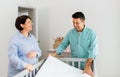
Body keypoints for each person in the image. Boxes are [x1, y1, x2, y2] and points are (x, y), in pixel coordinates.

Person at [49, 12, 98, 77]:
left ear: (83, 22)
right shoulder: (70, 33)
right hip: (74, 65)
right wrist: (53, 54)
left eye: (77, 23)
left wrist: (87, 67)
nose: (75, 25)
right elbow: (63, 45)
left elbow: (93, 51)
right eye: (73, 22)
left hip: (87, 64)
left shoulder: (91, 33)